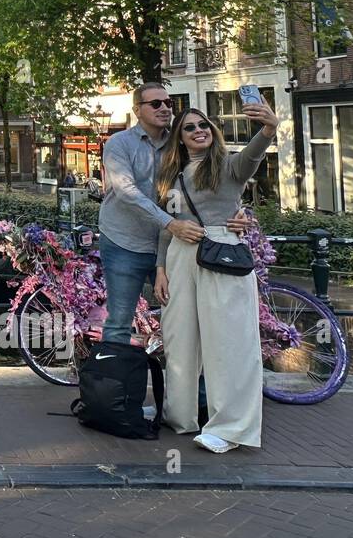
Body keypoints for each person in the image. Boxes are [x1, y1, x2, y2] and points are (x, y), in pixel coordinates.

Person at [153, 102, 277, 453]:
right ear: (180, 138)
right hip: (180, 256)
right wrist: (160, 268)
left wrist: (267, 130)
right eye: (190, 127)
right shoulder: (171, 175)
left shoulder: (226, 166)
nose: (198, 131)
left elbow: (251, 158)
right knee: (179, 338)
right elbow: (165, 225)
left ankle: (231, 428)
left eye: (204, 124)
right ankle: (179, 414)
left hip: (220, 251)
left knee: (228, 342)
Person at [99, 83, 248, 347]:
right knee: (120, 321)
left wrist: (240, 211)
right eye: (155, 103)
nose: (165, 108)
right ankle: (116, 386)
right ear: (137, 110)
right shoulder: (119, 144)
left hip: (174, 248)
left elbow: (215, 180)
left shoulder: (181, 139)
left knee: (190, 318)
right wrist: (171, 223)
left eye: (168, 102)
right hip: (126, 243)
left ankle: (193, 387)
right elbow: (126, 191)